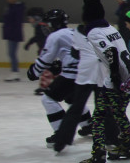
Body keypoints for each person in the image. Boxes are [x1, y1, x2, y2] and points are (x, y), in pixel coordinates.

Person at [78, 0, 130, 163]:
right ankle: (128, 148)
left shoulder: (94, 32)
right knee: (119, 113)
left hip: (117, 80)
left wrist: (114, 77)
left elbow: (110, 52)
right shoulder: (110, 28)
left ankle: (98, 158)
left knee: (98, 118)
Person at [26, 9, 92, 145]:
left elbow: (45, 58)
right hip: (86, 73)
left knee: (48, 99)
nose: (47, 27)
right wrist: (61, 64)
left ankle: (61, 132)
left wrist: (34, 72)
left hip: (72, 75)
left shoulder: (56, 36)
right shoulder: (74, 32)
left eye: (48, 24)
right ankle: (88, 124)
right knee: (71, 98)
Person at [2, 0, 26, 81]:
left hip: (14, 34)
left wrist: (13, 33)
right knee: (11, 53)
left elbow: (16, 22)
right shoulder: (9, 7)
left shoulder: (17, 8)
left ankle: (15, 72)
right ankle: (14, 72)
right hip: (10, 33)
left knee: (12, 53)